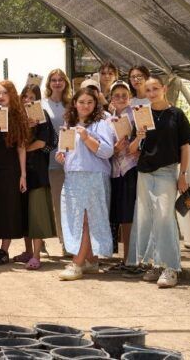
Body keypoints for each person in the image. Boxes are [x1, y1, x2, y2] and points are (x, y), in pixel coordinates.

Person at [127, 75, 190, 288]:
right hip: (144, 173)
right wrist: (139, 137)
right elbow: (131, 150)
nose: (152, 93)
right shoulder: (141, 114)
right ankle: (155, 264)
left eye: (155, 88)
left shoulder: (177, 114)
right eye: (148, 90)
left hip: (167, 171)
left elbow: (185, 147)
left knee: (165, 218)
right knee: (147, 219)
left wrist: (183, 174)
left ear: (164, 89)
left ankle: (171, 267)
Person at [57, 87, 116, 281]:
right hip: (73, 176)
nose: (85, 106)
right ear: (74, 103)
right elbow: (64, 150)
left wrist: (86, 137)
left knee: (87, 219)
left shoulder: (102, 123)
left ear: (95, 104)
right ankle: (90, 260)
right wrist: (61, 156)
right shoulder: (69, 123)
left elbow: (107, 151)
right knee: (76, 219)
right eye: (81, 102)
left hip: (93, 176)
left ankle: (77, 263)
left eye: (90, 102)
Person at [0, 80, 28, 265]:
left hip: (11, 170)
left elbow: (21, 148)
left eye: (4, 93)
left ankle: (4, 250)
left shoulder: (18, 117)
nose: (1, 96)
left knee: (9, 209)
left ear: (12, 95)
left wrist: (23, 175)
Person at [14, 84, 57, 270]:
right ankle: (28, 251)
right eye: (25, 96)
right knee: (25, 212)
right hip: (20, 171)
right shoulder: (18, 118)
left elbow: (42, 142)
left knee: (36, 214)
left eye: (31, 97)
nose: (27, 100)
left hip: (37, 171)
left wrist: (24, 148)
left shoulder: (42, 116)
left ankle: (37, 255)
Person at [107, 80, 139, 271]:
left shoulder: (136, 115)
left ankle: (131, 259)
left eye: (124, 95)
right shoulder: (108, 119)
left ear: (130, 97)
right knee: (120, 215)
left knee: (129, 216)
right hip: (115, 170)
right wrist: (115, 148)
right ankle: (126, 258)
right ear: (111, 99)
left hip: (131, 169)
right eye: (116, 96)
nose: (120, 98)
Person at [42, 68, 73, 253]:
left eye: (60, 80)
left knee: (67, 205)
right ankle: (57, 242)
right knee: (53, 204)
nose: (57, 83)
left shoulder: (72, 104)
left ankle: (68, 243)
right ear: (49, 83)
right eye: (54, 80)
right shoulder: (42, 104)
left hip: (69, 162)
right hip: (48, 161)